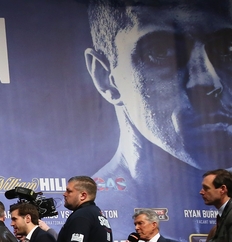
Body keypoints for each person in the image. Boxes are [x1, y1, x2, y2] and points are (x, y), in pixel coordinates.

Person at [85, 0, 232, 199]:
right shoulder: (86, 214)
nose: (207, 81)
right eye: (161, 52)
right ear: (105, 77)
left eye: (227, 49)